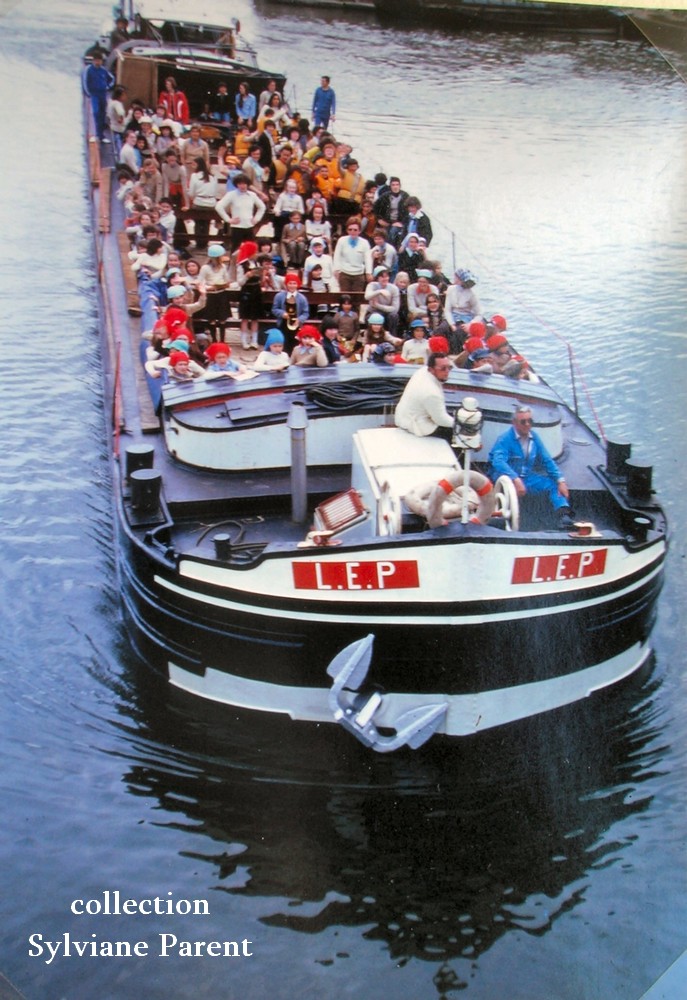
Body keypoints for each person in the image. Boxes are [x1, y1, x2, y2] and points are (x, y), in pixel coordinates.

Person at [489, 406, 573, 528]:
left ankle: (563, 515)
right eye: (523, 422)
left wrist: (560, 480)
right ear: (514, 423)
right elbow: (498, 462)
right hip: (506, 479)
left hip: (526, 477)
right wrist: (515, 479)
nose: (527, 425)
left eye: (530, 421)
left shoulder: (534, 438)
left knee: (554, 485)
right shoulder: (504, 439)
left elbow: (546, 460)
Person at [394, 352, 455, 440]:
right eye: (443, 368)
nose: (447, 371)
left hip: (402, 418)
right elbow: (441, 420)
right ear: (431, 369)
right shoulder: (432, 393)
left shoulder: (422, 371)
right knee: (454, 432)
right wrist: (460, 424)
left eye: (449, 367)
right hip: (417, 426)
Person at [215, 173, 266, 251]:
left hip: (249, 226)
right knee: (235, 249)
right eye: (240, 184)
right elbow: (219, 206)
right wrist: (228, 220)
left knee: (250, 249)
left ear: (247, 184)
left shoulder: (252, 195)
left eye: (244, 184)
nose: (242, 186)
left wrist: (256, 219)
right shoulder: (231, 194)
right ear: (237, 185)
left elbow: (262, 207)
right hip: (237, 227)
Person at [332, 216, 373, 293]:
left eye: (355, 230)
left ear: (359, 231)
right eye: (350, 229)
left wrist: (368, 273)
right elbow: (337, 256)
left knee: (357, 298)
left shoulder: (364, 243)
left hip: (359, 275)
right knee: (344, 296)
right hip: (344, 274)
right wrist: (336, 270)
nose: (352, 232)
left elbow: (368, 259)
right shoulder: (341, 240)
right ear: (347, 230)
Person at [82, 51, 115, 142]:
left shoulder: (103, 70)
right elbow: (85, 82)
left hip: (103, 94)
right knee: (96, 112)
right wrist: (88, 93)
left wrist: (107, 87)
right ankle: (94, 134)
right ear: (93, 61)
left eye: (99, 61)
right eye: (96, 60)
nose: (98, 62)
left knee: (102, 113)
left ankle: (101, 135)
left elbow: (112, 79)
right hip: (94, 94)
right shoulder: (89, 70)